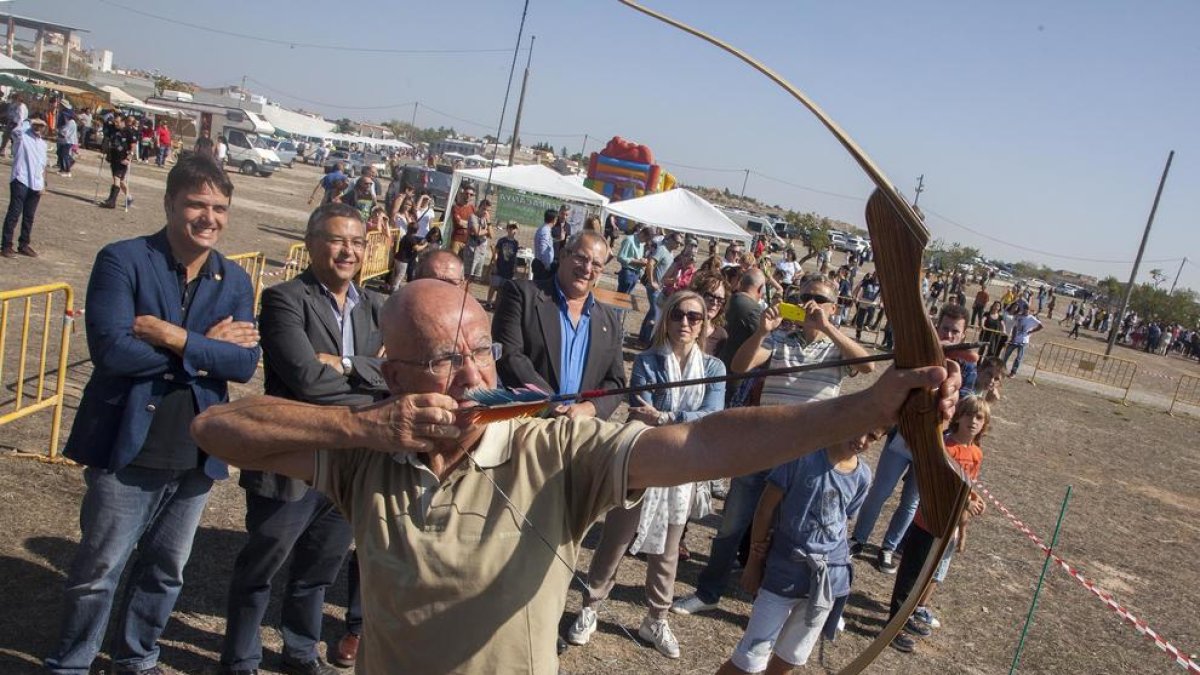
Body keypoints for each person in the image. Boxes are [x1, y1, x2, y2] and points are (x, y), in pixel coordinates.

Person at [190, 279, 960, 673]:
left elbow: (700, 444)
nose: (473, 375)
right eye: (443, 360)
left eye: (482, 350)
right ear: (390, 373)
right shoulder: (366, 456)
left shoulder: (551, 450)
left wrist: (865, 406)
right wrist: (364, 426)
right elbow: (217, 427)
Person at [44, 155, 261, 674]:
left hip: (196, 453)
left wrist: (175, 337)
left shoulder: (232, 281)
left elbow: (245, 363)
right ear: (169, 204)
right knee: (100, 568)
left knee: (167, 570)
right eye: (197, 204)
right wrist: (205, 349)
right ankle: (71, 662)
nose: (209, 217)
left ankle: (136, 658)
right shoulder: (122, 260)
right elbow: (113, 352)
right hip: (128, 443)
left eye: (220, 208)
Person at [219, 203, 388, 675]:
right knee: (261, 568)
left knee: (318, 570)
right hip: (290, 459)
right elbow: (305, 380)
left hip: (346, 465)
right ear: (312, 242)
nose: (347, 251)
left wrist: (350, 365)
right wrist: (372, 397)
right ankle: (240, 660)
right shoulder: (283, 299)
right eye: (337, 240)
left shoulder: (375, 305)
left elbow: (395, 373)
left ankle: (299, 651)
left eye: (356, 242)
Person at [672, 276, 874, 617]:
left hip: (807, 457)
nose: (810, 303)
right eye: (804, 296)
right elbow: (740, 365)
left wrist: (828, 328)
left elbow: (866, 365)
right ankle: (709, 591)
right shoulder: (780, 336)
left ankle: (765, 597)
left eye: (819, 299)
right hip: (762, 446)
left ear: (833, 307)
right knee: (732, 523)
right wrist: (763, 331)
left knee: (786, 530)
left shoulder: (836, 346)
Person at [566, 291, 726, 659]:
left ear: (704, 324)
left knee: (669, 550)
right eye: (677, 315)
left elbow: (712, 415)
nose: (685, 323)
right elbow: (640, 409)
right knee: (615, 539)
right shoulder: (649, 361)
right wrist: (678, 420)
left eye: (694, 317)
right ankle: (590, 607)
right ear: (666, 319)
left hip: (682, 468)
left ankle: (655, 618)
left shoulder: (714, 368)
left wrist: (668, 418)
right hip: (641, 459)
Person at [716, 430, 878, 675]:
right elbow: (764, 510)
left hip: (826, 581)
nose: (863, 440)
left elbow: (843, 520)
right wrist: (754, 563)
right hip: (784, 574)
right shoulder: (801, 457)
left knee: (790, 657)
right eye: (860, 429)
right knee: (748, 659)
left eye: (873, 436)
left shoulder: (862, 476)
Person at [849, 303, 976, 573]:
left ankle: (888, 549)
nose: (949, 336)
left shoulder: (969, 370)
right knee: (880, 491)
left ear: (963, 335)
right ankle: (858, 539)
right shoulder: (919, 356)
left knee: (911, 502)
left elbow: (964, 408)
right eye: (945, 329)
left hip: (933, 446)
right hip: (901, 439)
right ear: (935, 327)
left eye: (955, 332)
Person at [889, 396, 989, 654]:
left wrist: (974, 500)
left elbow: (968, 485)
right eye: (968, 414)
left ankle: (907, 617)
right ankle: (892, 628)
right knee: (910, 576)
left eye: (979, 417)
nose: (973, 421)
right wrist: (965, 500)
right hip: (928, 522)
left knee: (927, 576)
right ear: (957, 416)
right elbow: (937, 484)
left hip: (949, 527)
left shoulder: (976, 454)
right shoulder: (945, 446)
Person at [493, 231, 626, 421]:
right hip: (526, 423)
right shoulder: (521, 295)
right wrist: (552, 404)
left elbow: (616, 381)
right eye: (581, 258)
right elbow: (510, 355)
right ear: (563, 255)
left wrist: (591, 407)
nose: (587, 268)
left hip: (578, 431)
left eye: (596, 264)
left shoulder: (610, 320)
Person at [1, 118, 48, 258]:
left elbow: (43, 165)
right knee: (14, 213)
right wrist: (30, 120)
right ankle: (6, 245)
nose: (39, 128)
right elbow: (15, 130)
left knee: (29, 216)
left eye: (42, 125)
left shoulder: (43, 144)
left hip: (36, 183)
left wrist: (44, 183)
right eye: (37, 125)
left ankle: (24, 244)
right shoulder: (23, 137)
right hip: (21, 179)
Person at [638, 229, 680, 347]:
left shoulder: (671, 254)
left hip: (660, 287)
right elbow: (650, 263)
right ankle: (645, 339)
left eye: (680, 243)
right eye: (677, 242)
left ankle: (643, 338)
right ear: (670, 239)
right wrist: (652, 281)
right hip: (654, 287)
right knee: (655, 312)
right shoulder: (662, 249)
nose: (678, 245)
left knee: (652, 312)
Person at [99, 116, 139, 209]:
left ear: (123, 122)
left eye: (117, 122)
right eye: (114, 122)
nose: (115, 124)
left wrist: (129, 157)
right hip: (114, 157)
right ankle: (129, 197)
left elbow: (133, 145)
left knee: (117, 178)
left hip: (123, 158)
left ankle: (111, 201)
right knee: (120, 181)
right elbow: (109, 140)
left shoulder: (128, 131)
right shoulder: (114, 130)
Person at [1001, 303, 1043, 377]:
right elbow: (1014, 327)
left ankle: (1013, 372)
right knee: (1006, 354)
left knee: (1019, 357)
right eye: (1024, 309)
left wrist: (1031, 331)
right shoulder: (1019, 316)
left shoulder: (1031, 318)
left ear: (1029, 310)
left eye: (1027, 309)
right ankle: (1001, 369)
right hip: (1015, 339)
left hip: (1024, 341)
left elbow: (1041, 326)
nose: (1025, 310)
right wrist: (1013, 337)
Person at [486, 221, 520, 310]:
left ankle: (497, 303)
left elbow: (515, 256)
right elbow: (496, 253)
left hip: (509, 269)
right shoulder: (502, 240)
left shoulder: (516, 243)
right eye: (510, 227)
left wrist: (515, 267)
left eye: (514, 228)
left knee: (502, 288)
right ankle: (488, 302)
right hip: (500, 266)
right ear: (507, 229)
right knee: (494, 285)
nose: (512, 230)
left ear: (516, 230)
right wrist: (495, 264)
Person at [464, 198, 493, 286]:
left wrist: (488, 223)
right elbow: (477, 232)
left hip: (481, 252)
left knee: (474, 278)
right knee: (467, 276)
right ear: (479, 207)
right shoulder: (473, 217)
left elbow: (492, 235)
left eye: (488, 210)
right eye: (484, 209)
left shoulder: (486, 220)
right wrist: (487, 231)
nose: (486, 212)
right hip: (472, 250)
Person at [615, 223, 648, 293]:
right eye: (646, 239)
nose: (646, 242)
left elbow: (638, 258)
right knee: (620, 297)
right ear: (643, 234)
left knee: (626, 298)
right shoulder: (629, 240)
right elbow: (620, 257)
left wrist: (642, 261)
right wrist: (637, 262)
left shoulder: (641, 244)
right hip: (627, 273)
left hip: (636, 274)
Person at [449, 184, 476, 255]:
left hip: (468, 241)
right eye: (467, 193)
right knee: (453, 262)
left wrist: (467, 223)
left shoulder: (472, 208)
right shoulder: (456, 207)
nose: (468, 196)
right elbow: (459, 223)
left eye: (471, 194)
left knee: (464, 264)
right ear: (463, 194)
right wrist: (471, 224)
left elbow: (476, 224)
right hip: (457, 240)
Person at [0, 92, 27, 157]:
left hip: (17, 124)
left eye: (14, 99)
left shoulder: (21, 107)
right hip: (11, 122)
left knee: (14, 139)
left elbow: (21, 117)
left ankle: (14, 152)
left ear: (17, 99)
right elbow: (8, 113)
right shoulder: (13, 105)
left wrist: (18, 126)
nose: (13, 100)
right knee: (5, 136)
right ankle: (2, 150)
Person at [532, 208, 556, 280]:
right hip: (542, 265)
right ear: (554, 220)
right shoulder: (545, 231)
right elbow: (543, 248)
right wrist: (547, 265)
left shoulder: (543, 228)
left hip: (540, 263)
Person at [56, 110, 77, 177]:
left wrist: (58, 132)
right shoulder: (68, 122)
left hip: (68, 141)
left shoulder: (71, 122)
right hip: (64, 141)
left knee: (64, 155)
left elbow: (65, 133)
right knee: (59, 153)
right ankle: (62, 169)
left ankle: (68, 171)